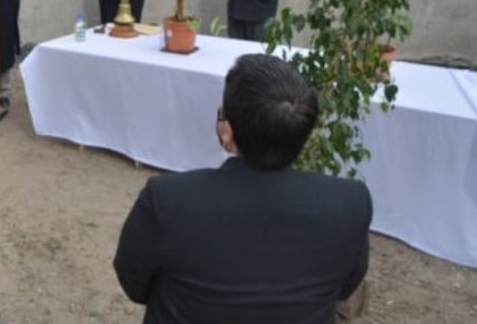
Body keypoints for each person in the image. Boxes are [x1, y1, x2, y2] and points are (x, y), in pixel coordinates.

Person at [114, 53, 372, 323]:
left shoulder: (167, 200)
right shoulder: (350, 203)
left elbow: (133, 280)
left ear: (227, 132)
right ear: (305, 135)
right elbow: (344, 285)